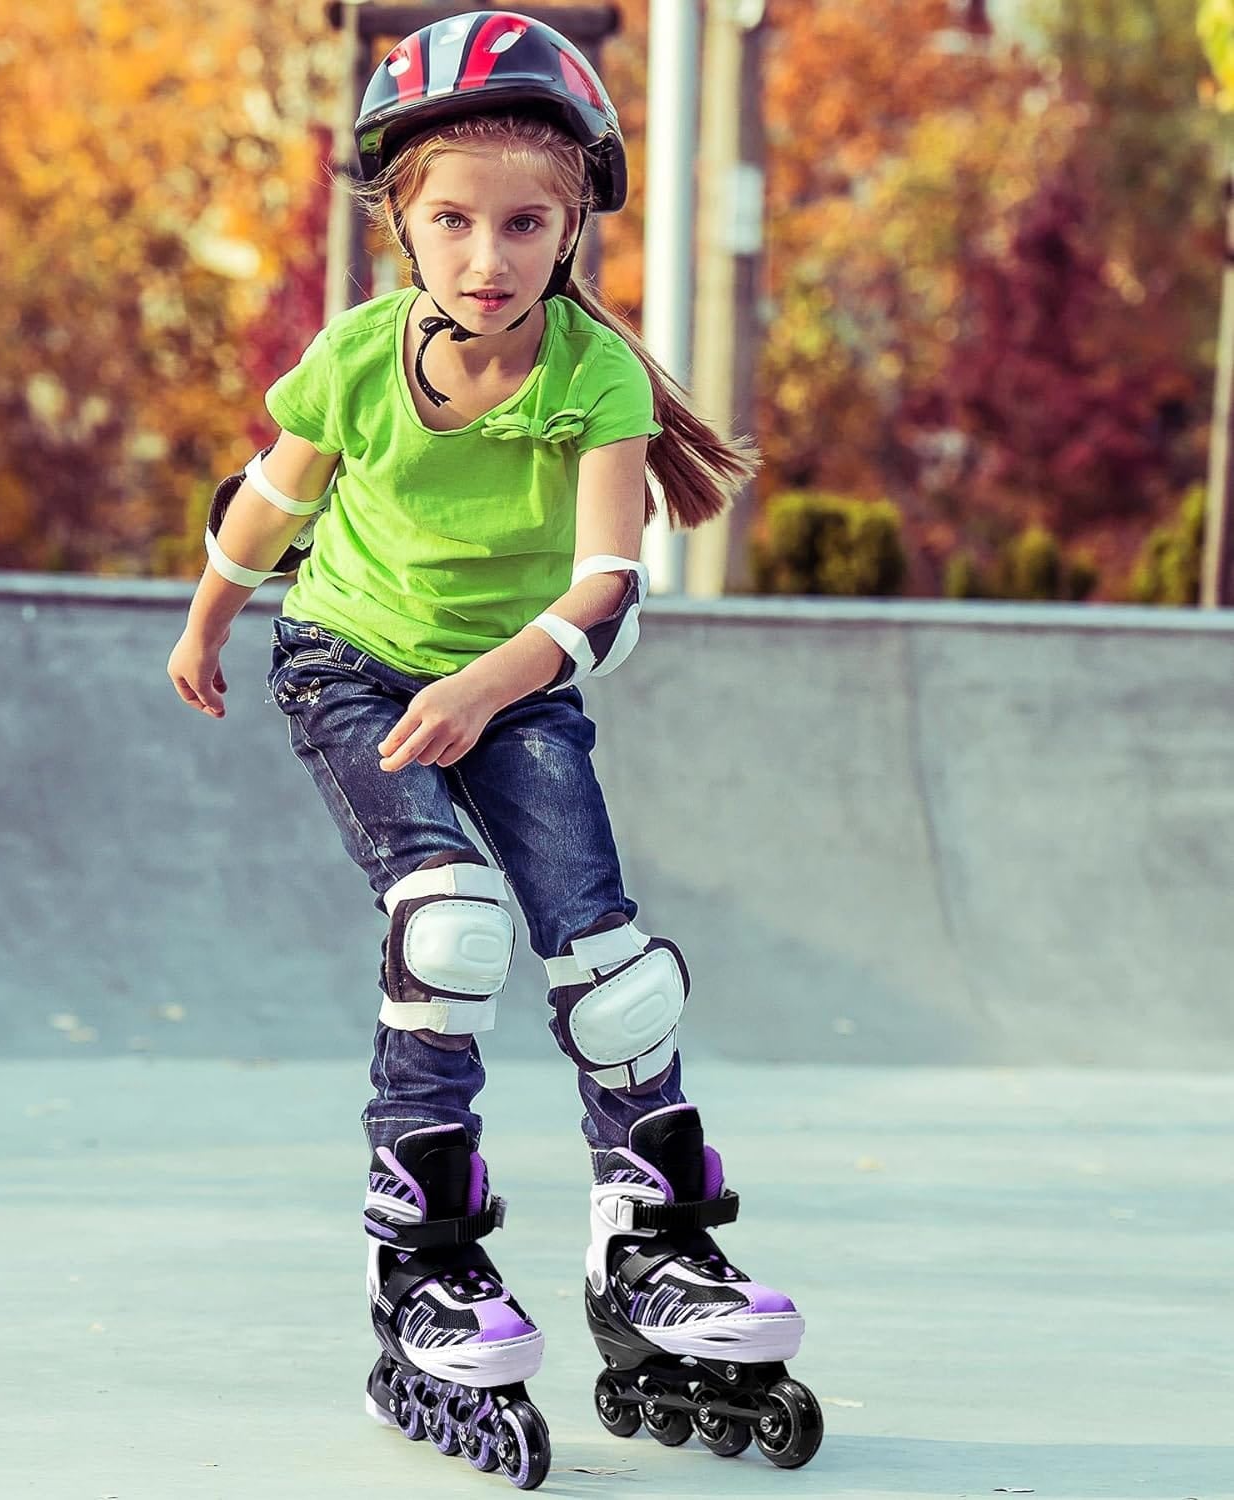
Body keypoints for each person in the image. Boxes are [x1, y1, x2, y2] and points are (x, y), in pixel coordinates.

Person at [167, 11, 821, 1487]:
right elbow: (269, 504)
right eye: (453, 220)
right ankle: (426, 1261)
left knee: (614, 967)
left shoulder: (595, 376)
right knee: (451, 926)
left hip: (514, 684)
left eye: (525, 223)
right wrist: (206, 622)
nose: (488, 257)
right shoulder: (356, 357)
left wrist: (485, 684)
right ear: (398, 218)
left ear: (576, 221)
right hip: (349, 662)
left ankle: (653, 1249)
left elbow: (606, 591)